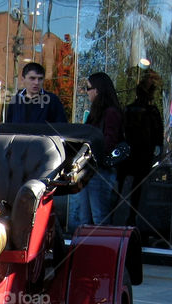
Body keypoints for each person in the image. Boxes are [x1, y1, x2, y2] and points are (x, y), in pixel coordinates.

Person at [69, 72, 124, 228]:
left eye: (88, 88)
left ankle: (101, 250)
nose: (87, 92)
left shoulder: (110, 113)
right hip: (90, 169)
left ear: (98, 90)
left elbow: (109, 141)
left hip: (100, 170)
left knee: (99, 216)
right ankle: (85, 249)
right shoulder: (97, 112)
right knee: (84, 217)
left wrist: (92, 152)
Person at [117, 70, 164, 225]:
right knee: (136, 188)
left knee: (124, 185)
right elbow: (158, 136)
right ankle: (130, 217)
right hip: (141, 155)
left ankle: (125, 216)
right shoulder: (150, 112)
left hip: (132, 154)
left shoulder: (131, 110)